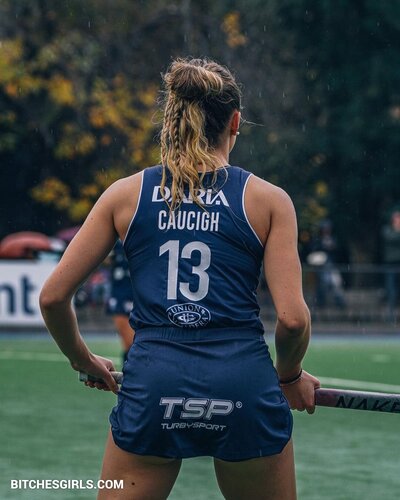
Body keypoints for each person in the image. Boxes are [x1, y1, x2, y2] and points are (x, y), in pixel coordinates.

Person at [40, 57, 320, 500]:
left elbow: (53, 298)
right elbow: (292, 320)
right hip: (242, 383)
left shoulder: (125, 195)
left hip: (155, 384)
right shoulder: (269, 200)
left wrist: (83, 360)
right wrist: (289, 378)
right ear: (235, 122)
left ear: (171, 119)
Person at [106, 240, 135, 363]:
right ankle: (128, 371)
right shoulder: (114, 242)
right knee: (130, 344)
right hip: (121, 293)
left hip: (140, 293)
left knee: (136, 344)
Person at [382, 209, 400, 320]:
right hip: (391, 264)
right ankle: (391, 313)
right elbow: (391, 238)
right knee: (391, 288)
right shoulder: (387, 230)